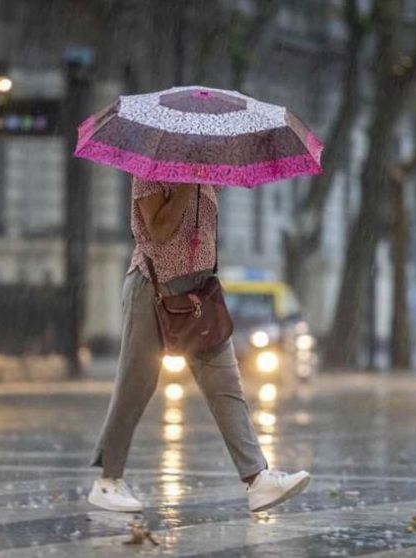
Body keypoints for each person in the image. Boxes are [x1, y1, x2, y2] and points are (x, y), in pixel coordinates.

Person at [88, 176, 310, 514]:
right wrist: (186, 184)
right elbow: (159, 230)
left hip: (197, 294)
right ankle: (108, 480)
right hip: (152, 290)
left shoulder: (206, 168)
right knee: (136, 384)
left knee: (227, 386)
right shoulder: (151, 168)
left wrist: (206, 180)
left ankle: (257, 480)